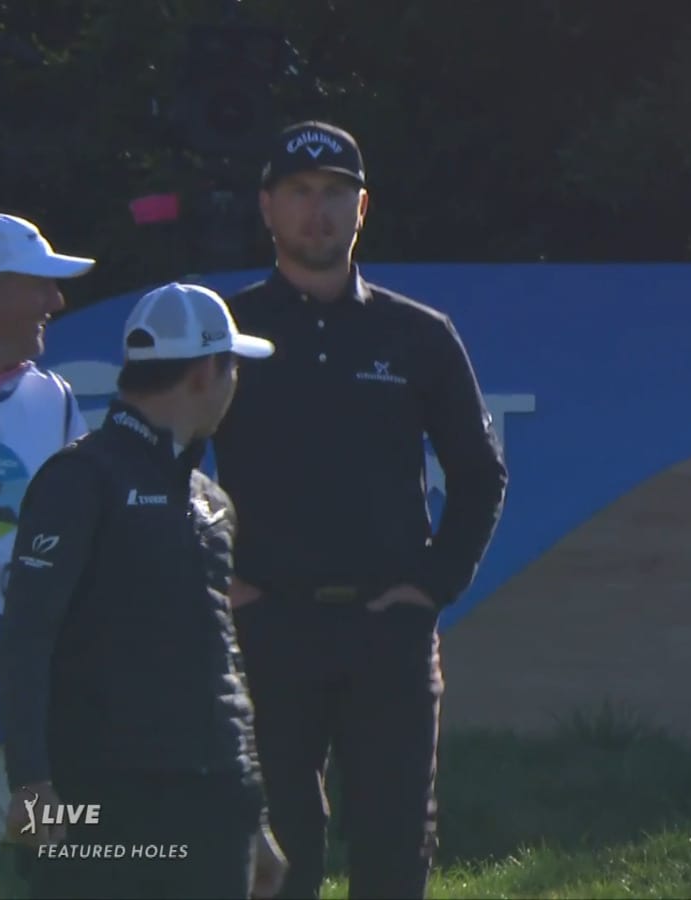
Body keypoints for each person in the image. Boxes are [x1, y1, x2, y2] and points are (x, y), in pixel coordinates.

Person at [210, 120, 508, 899]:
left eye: (335, 194)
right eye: (300, 192)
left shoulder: (418, 334)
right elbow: (167, 467)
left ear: (362, 208)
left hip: (388, 635)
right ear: (267, 206)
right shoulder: (225, 330)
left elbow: (480, 474)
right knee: (273, 858)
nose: (318, 211)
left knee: (395, 852)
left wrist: (432, 586)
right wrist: (223, 586)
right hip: (266, 628)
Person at [0, 282, 288, 898]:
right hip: (96, 799)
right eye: (234, 368)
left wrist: (253, 816)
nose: (235, 384)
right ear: (208, 371)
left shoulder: (211, 500)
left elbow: (222, 661)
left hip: (213, 797)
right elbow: (26, 639)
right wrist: (30, 785)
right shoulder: (79, 479)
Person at [0, 210, 94, 899]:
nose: (56, 301)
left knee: (53, 872)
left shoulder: (55, 401)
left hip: (30, 700)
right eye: (39, 283)